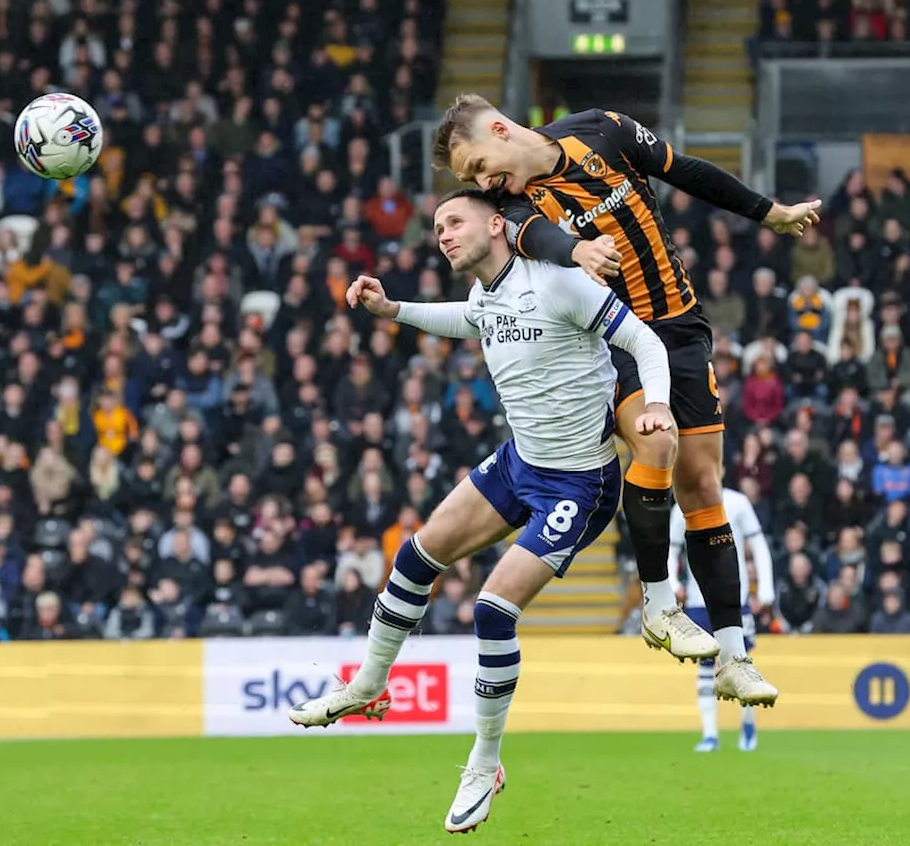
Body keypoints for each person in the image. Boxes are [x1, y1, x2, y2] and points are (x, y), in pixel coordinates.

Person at [289, 190, 711, 833]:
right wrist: (392, 308)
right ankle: (368, 686)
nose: (443, 236)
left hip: (577, 483)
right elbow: (470, 319)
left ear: (496, 225)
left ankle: (485, 762)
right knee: (414, 556)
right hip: (519, 463)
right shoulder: (490, 294)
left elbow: (645, 341)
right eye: (436, 228)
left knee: (492, 609)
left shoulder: (562, 283)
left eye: (454, 222)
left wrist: (654, 402)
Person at [431, 94, 814, 685]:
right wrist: (578, 249)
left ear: (501, 130)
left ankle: (736, 657)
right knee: (656, 443)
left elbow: (684, 169)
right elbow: (539, 240)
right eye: (471, 180)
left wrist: (768, 212)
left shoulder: (602, 129)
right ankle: (658, 602)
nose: (482, 181)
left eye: (478, 165)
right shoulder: (510, 204)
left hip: (681, 327)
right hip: (614, 342)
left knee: (704, 486)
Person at [669, 479, 775, 754]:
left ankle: (748, 725)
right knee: (704, 665)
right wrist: (670, 582)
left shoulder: (737, 502)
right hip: (697, 599)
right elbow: (670, 547)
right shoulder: (683, 501)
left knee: (741, 661)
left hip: (734, 598)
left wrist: (765, 587)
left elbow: (758, 544)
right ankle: (710, 734)